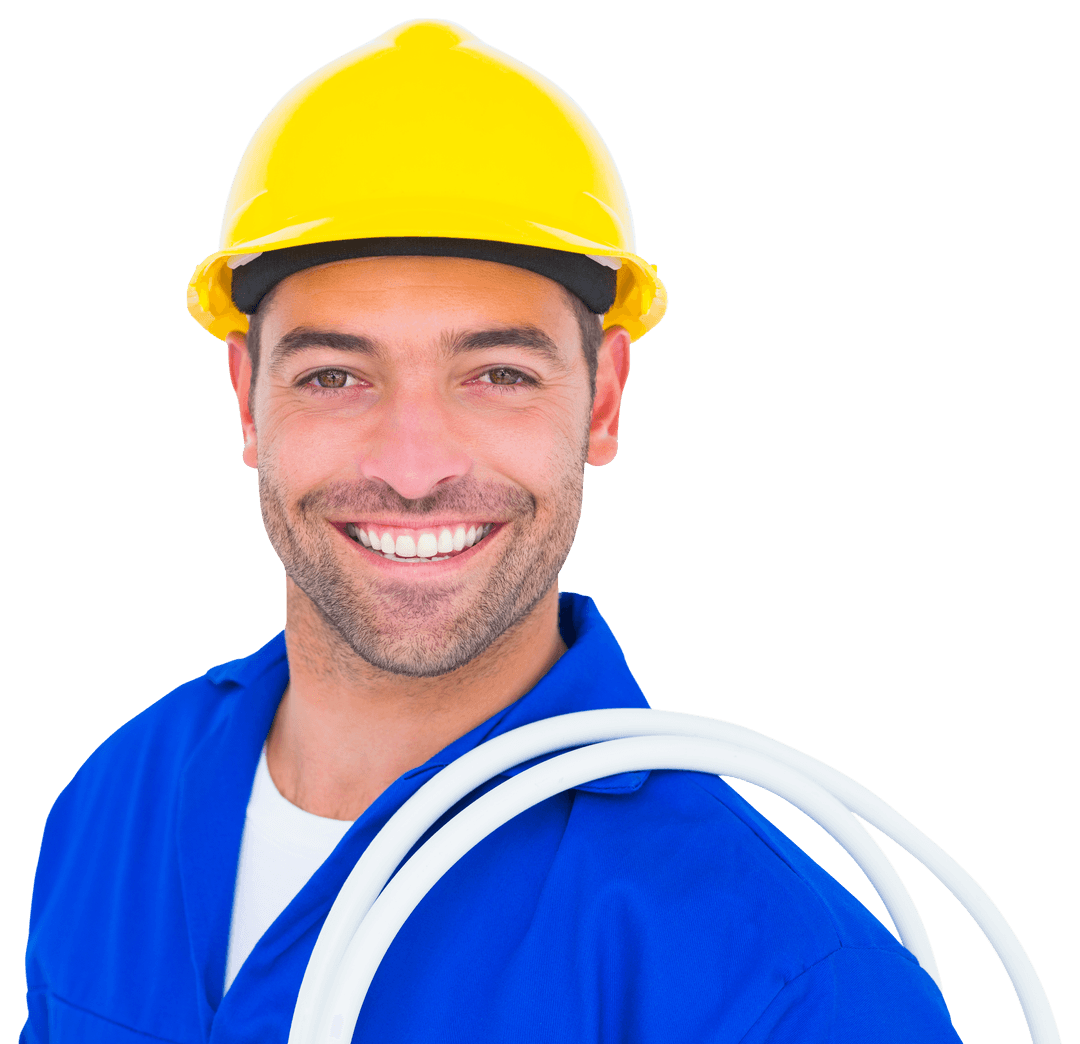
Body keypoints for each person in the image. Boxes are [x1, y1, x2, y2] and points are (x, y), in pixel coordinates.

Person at [22, 19, 963, 1043]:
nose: (413, 466)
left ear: (602, 405)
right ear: (249, 401)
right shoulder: (114, 802)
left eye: (499, 376)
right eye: (334, 376)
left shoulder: (778, 977)